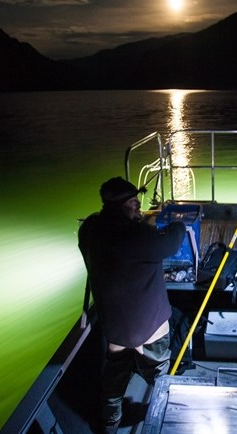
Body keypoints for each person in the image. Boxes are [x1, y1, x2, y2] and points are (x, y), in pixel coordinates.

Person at [78, 177, 185, 434]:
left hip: (114, 327)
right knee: (159, 373)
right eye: (134, 203)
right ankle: (165, 413)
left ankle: (110, 422)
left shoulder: (90, 229)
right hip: (150, 328)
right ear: (121, 206)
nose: (139, 207)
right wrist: (178, 223)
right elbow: (173, 240)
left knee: (114, 381)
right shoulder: (138, 235)